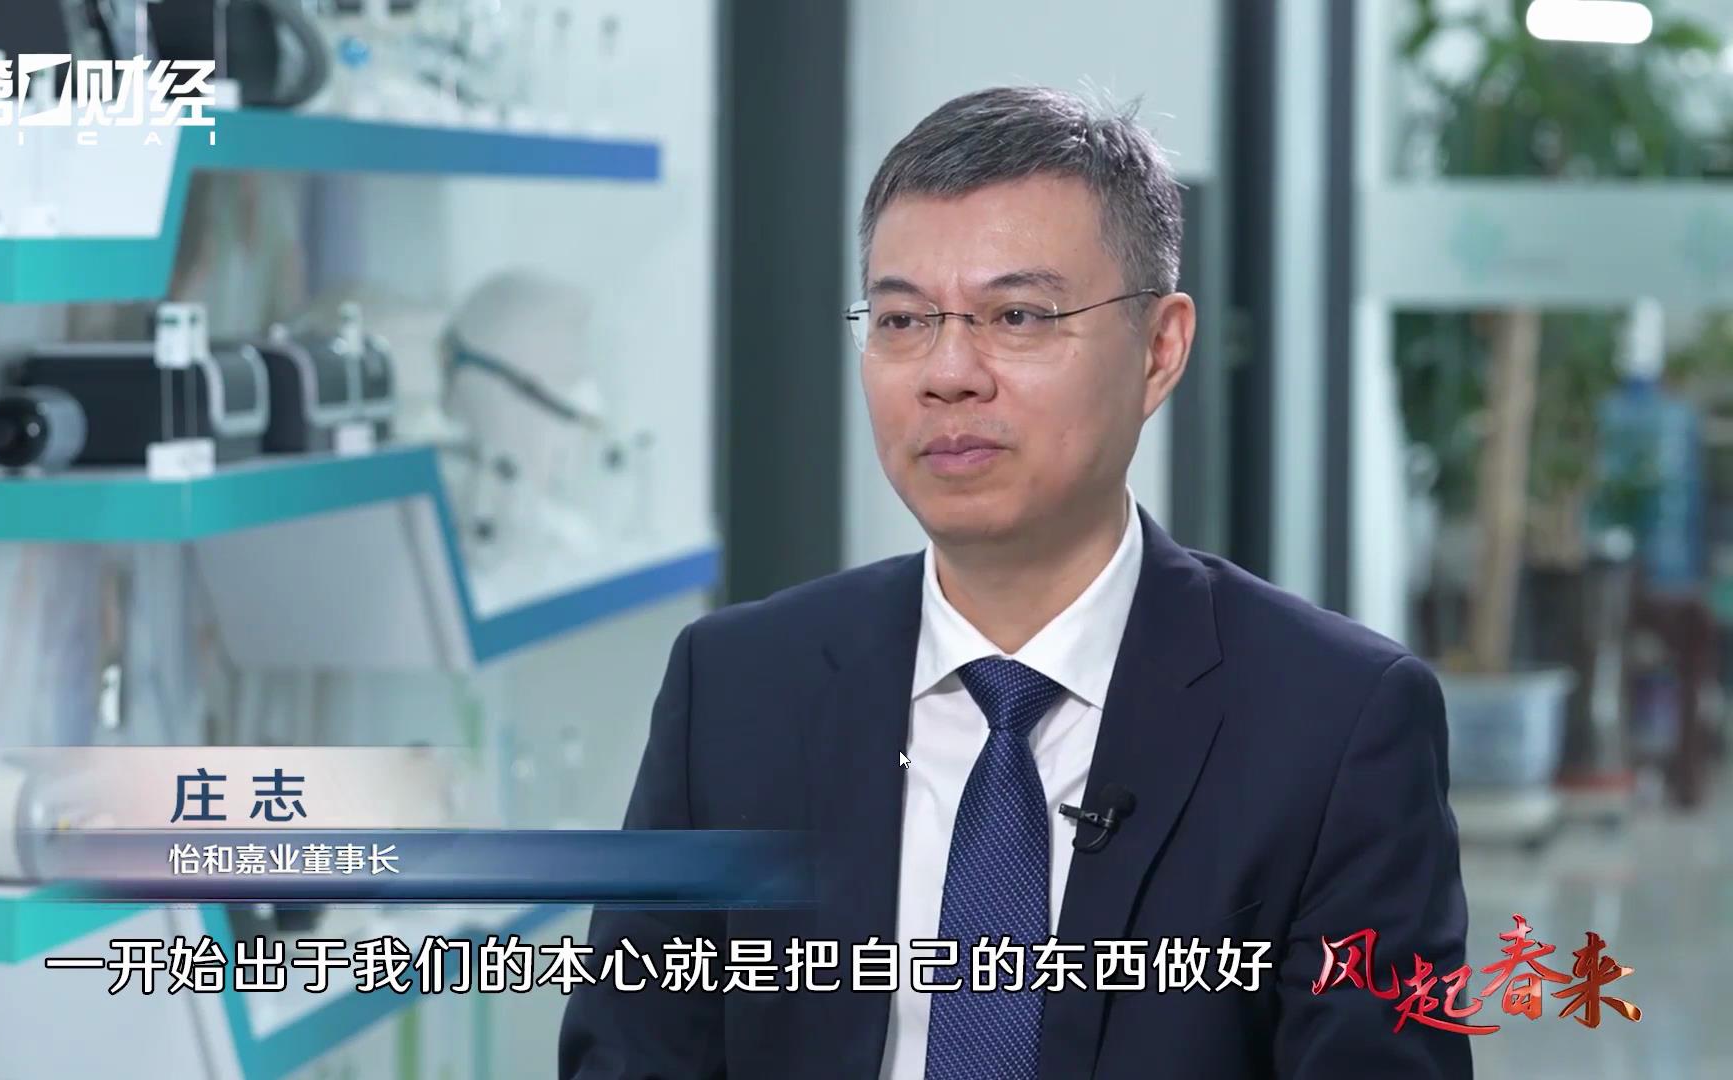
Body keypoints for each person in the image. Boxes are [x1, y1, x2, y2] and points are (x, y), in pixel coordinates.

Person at [559, 86, 1470, 1079]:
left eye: (1018, 315)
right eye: (902, 320)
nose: (948, 372)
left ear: (1160, 348)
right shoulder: (735, 689)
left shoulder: (1337, 724)